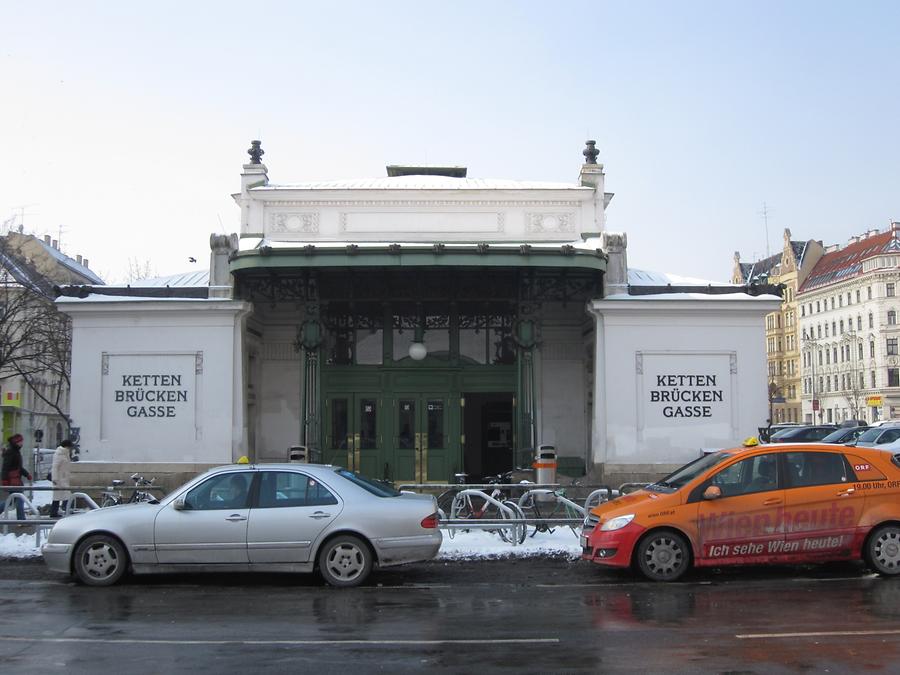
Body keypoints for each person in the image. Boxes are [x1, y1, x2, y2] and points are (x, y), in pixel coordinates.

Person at [1, 434, 32, 520]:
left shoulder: (15, 451)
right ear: (16, 442)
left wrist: (27, 474)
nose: (22, 443)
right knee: (19, 499)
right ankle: (21, 520)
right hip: (13, 480)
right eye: (21, 441)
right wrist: (4, 479)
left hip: (16, 479)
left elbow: (18, 467)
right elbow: (5, 467)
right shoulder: (11, 452)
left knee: (12, 501)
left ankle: (21, 520)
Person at [49, 439, 74, 518]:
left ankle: (56, 512)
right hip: (59, 479)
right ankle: (62, 511)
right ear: (67, 446)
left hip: (63, 478)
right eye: (70, 447)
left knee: (61, 496)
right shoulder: (60, 454)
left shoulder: (64, 453)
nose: (71, 449)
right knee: (62, 496)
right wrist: (55, 479)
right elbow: (55, 467)